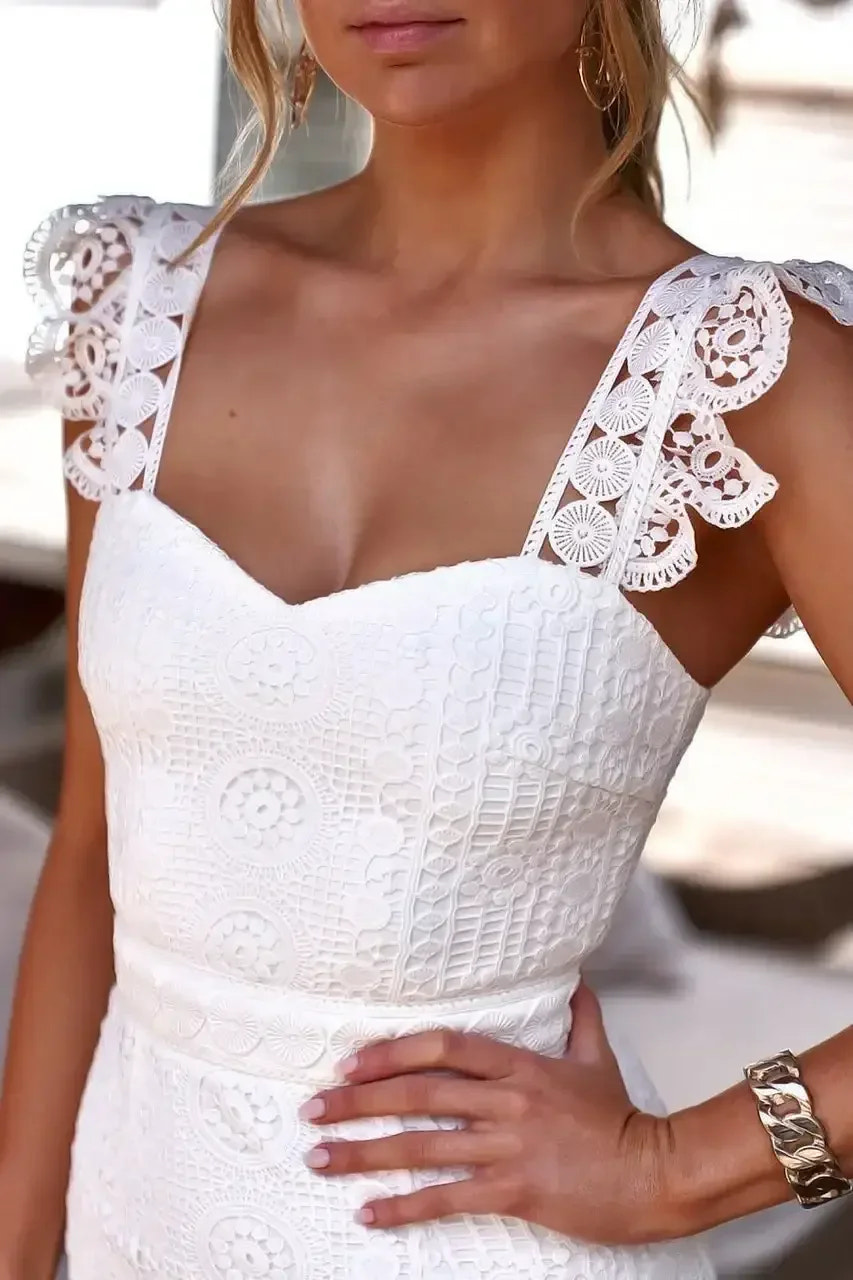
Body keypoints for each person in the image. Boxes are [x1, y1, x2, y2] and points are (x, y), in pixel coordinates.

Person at [1, 1, 852, 1277]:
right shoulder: (137, 303)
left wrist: (679, 1167)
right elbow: (93, 851)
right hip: (132, 1225)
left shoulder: (754, 377)